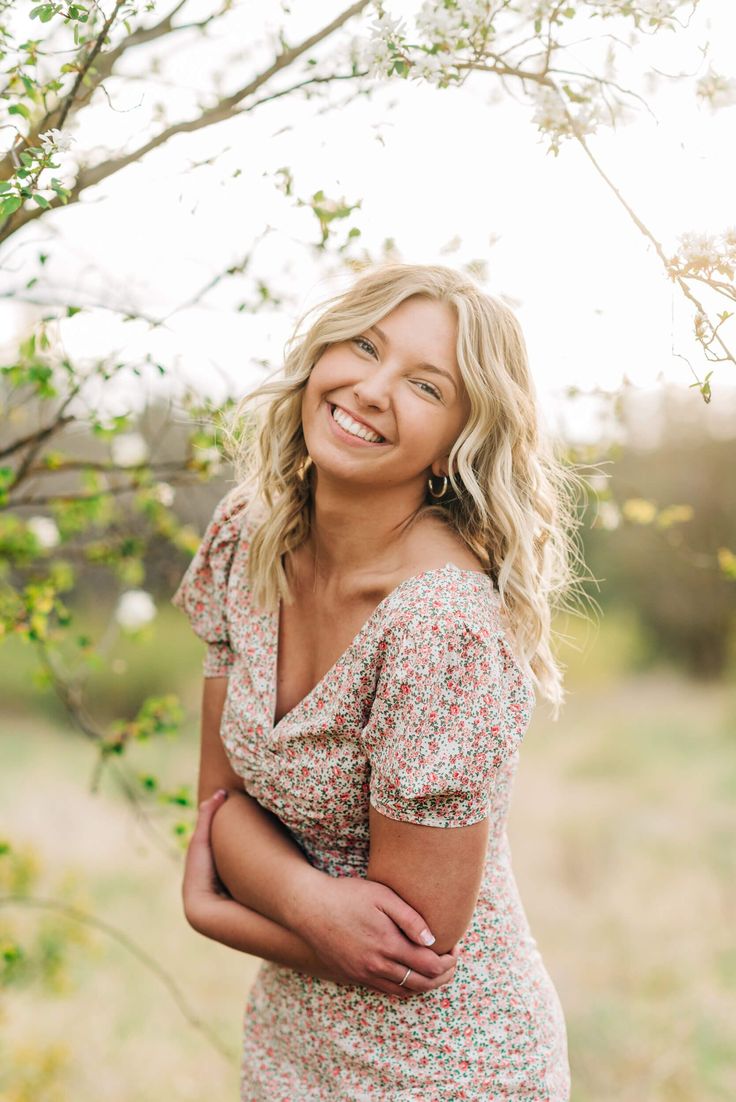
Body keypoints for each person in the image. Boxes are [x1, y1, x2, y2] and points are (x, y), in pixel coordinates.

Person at [172, 262, 584, 1099]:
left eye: (426, 386)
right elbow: (219, 814)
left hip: (454, 1067)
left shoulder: (442, 626)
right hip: (290, 1049)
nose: (370, 388)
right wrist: (310, 900)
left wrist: (233, 907)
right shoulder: (246, 538)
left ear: (457, 444)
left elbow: (412, 949)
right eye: (365, 345)